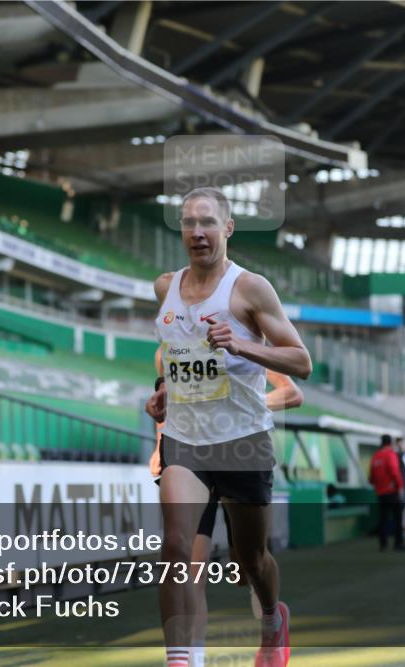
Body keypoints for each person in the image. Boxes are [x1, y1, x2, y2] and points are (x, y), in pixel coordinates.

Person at [145, 187, 312, 667]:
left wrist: (242, 346)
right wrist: (165, 391)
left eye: (208, 222)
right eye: (188, 222)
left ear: (228, 228)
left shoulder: (250, 289)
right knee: (177, 549)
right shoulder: (165, 289)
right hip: (185, 443)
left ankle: (271, 622)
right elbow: (179, 359)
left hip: (242, 444)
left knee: (250, 562)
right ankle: (182, 659)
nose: (197, 232)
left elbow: (302, 363)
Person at [148, 348, 304, 665]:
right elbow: (171, 403)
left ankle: (271, 620)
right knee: (190, 563)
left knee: (245, 568)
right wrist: (159, 444)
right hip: (189, 456)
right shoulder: (166, 350)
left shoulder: (241, 340)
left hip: (239, 451)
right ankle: (194, 656)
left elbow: (292, 393)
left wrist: (241, 405)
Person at [369, 434, 405, 552]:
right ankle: (398, 543)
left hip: (381, 493)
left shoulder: (376, 456)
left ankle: (383, 544)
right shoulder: (390, 454)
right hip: (392, 492)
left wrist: (378, 486)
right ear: (390, 443)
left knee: (383, 518)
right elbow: (394, 471)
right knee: (397, 518)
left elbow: (371, 477)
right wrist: (400, 486)